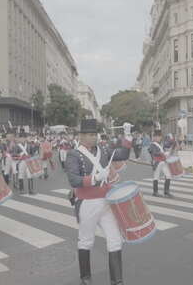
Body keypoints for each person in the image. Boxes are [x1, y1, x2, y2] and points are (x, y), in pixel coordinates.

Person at [65, 119, 132, 285]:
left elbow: (122, 155)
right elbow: (74, 180)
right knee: (86, 240)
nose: (93, 137)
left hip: (106, 201)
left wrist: (127, 136)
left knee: (115, 239)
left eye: (95, 134)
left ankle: (117, 281)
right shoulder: (74, 154)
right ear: (81, 136)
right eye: (89, 134)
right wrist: (95, 178)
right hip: (87, 202)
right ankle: (85, 278)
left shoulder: (103, 149)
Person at [148, 130, 173, 198]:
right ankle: (155, 192)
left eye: (160, 137)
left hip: (163, 162)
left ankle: (166, 191)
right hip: (157, 162)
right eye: (158, 137)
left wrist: (172, 140)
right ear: (155, 137)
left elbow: (168, 144)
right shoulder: (152, 144)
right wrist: (162, 153)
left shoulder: (160, 144)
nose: (159, 138)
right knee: (156, 177)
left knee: (168, 175)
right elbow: (153, 152)